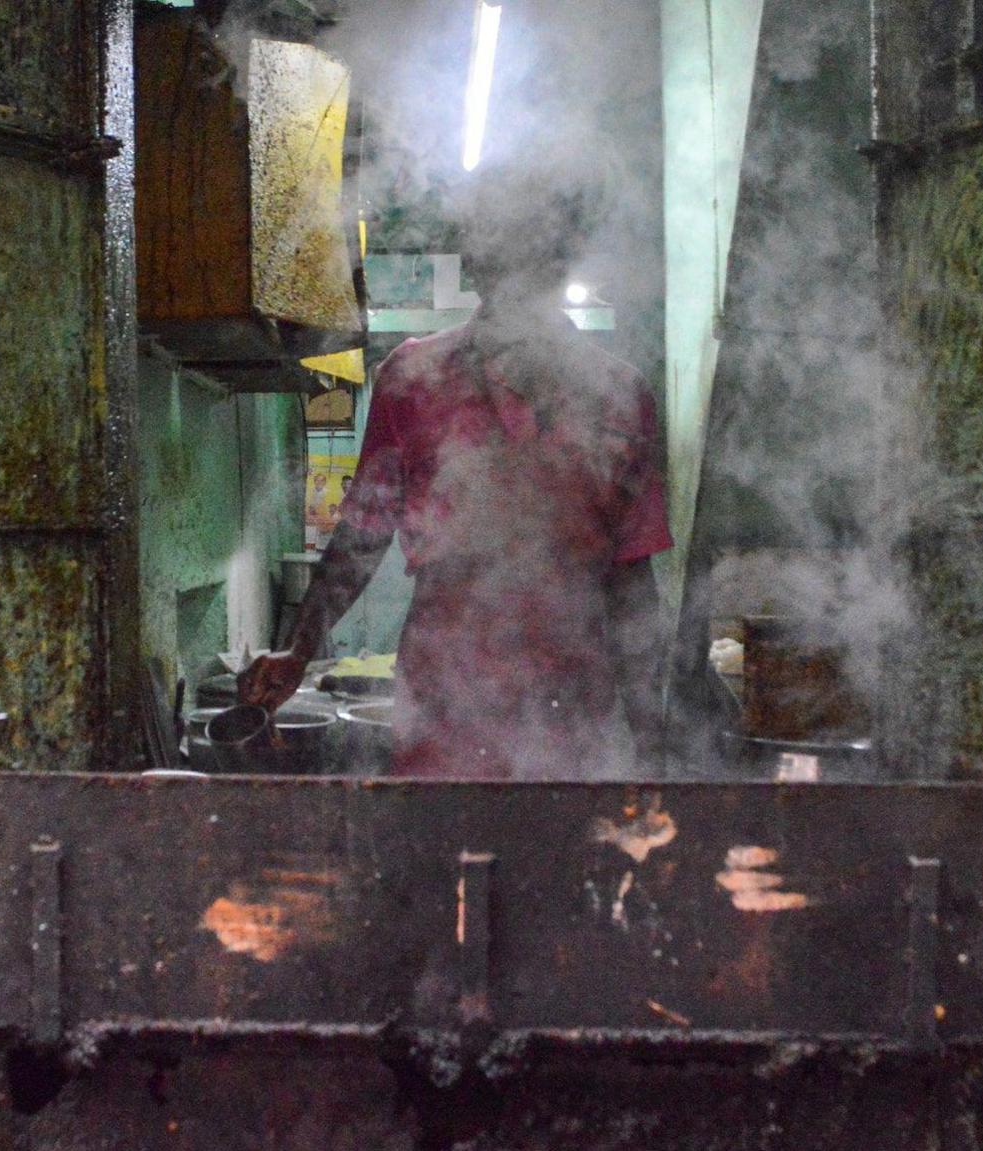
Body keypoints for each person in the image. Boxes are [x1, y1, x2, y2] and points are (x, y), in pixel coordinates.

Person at [240, 157, 671, 779]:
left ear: (563, 256)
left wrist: (654, 750)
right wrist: (299, 650)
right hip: (445, 699)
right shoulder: (412, 380)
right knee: (440, 857)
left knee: (561, 865)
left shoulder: (621, 395)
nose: (506, 261)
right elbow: (362, 536)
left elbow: (633, 584)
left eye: (530, 242)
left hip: (570, 709)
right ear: (474, 260)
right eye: (494, 241)